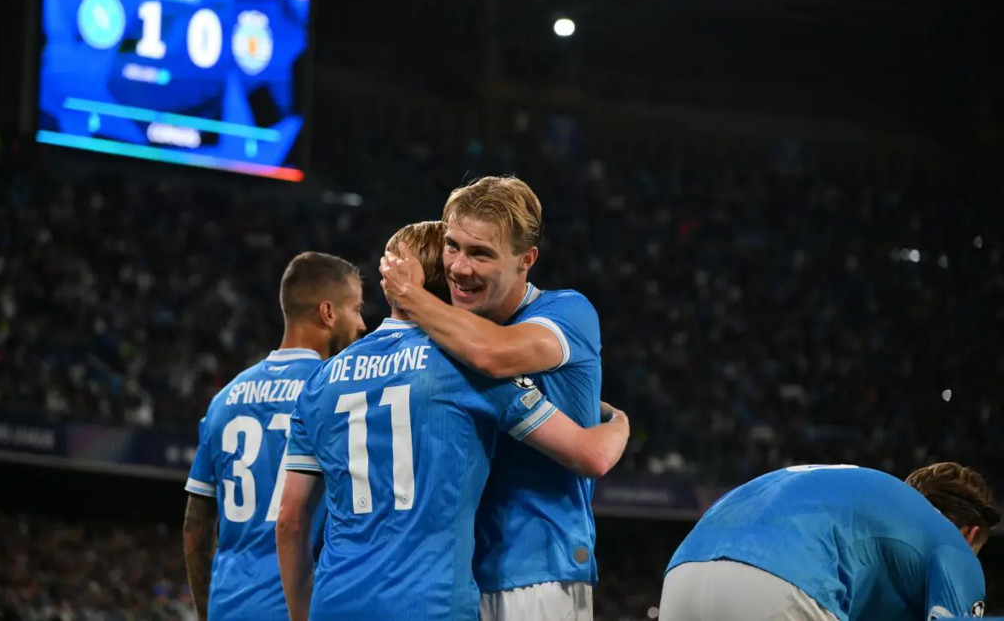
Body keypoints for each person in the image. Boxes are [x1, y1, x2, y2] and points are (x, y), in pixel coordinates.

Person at [276, 221, 630, 621]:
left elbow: (290, 521)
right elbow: (591, 454)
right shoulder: (467, 368)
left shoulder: (320, 380)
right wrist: (618, 421)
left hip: (334, 601)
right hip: (429, 602)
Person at [380, 176, 603, 620]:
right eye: (452, 246)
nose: (460, 268)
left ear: (526, 260)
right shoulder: (443, 332)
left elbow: (492, 354)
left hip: (535, 576)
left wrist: (410, 296)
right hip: (449, 581)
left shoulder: (567, 313)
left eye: (481, 254)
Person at [182, 252, 366, 621]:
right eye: (356, 309)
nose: (362, 324)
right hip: (300, 608)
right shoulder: (338, 392)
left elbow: (195, 526)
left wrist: (208, 613)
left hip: (229, 608)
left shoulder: (224, 400)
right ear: (328, 313)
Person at [659, 462, 999, 621]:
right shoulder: (952, 543)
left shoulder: (872, 495)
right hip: (786, 580)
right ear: (970, 533)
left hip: (683, 573)